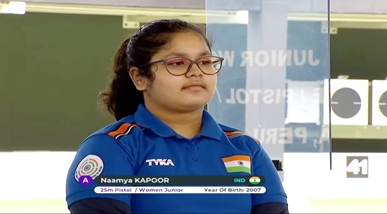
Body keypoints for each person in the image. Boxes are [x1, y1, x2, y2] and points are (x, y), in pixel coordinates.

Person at [65, 19, 288, 214]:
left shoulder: (246, 148)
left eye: (205, 62)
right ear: (140, 78)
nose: (196, 71)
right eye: (177, 63)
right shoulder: (111, 147)